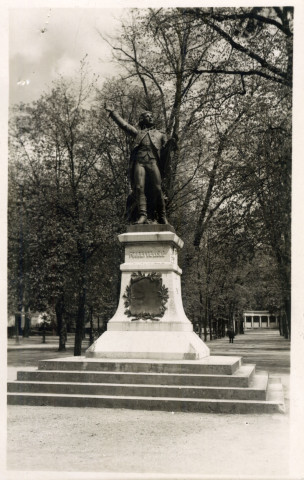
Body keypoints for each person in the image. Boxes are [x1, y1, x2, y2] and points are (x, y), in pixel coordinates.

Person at [105, 105, 172, 225]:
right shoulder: (139, 133)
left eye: (152, 116)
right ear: (142, 119)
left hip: (153, 162)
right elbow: (125, 125)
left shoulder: (161, 134)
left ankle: (162, 216)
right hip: (139, 162)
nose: (151, 118)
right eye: (147, 116)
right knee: (139, 188)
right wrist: (113, 112)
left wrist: (172, 144)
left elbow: (166, 151)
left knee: (157, 188)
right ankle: (142, 215)